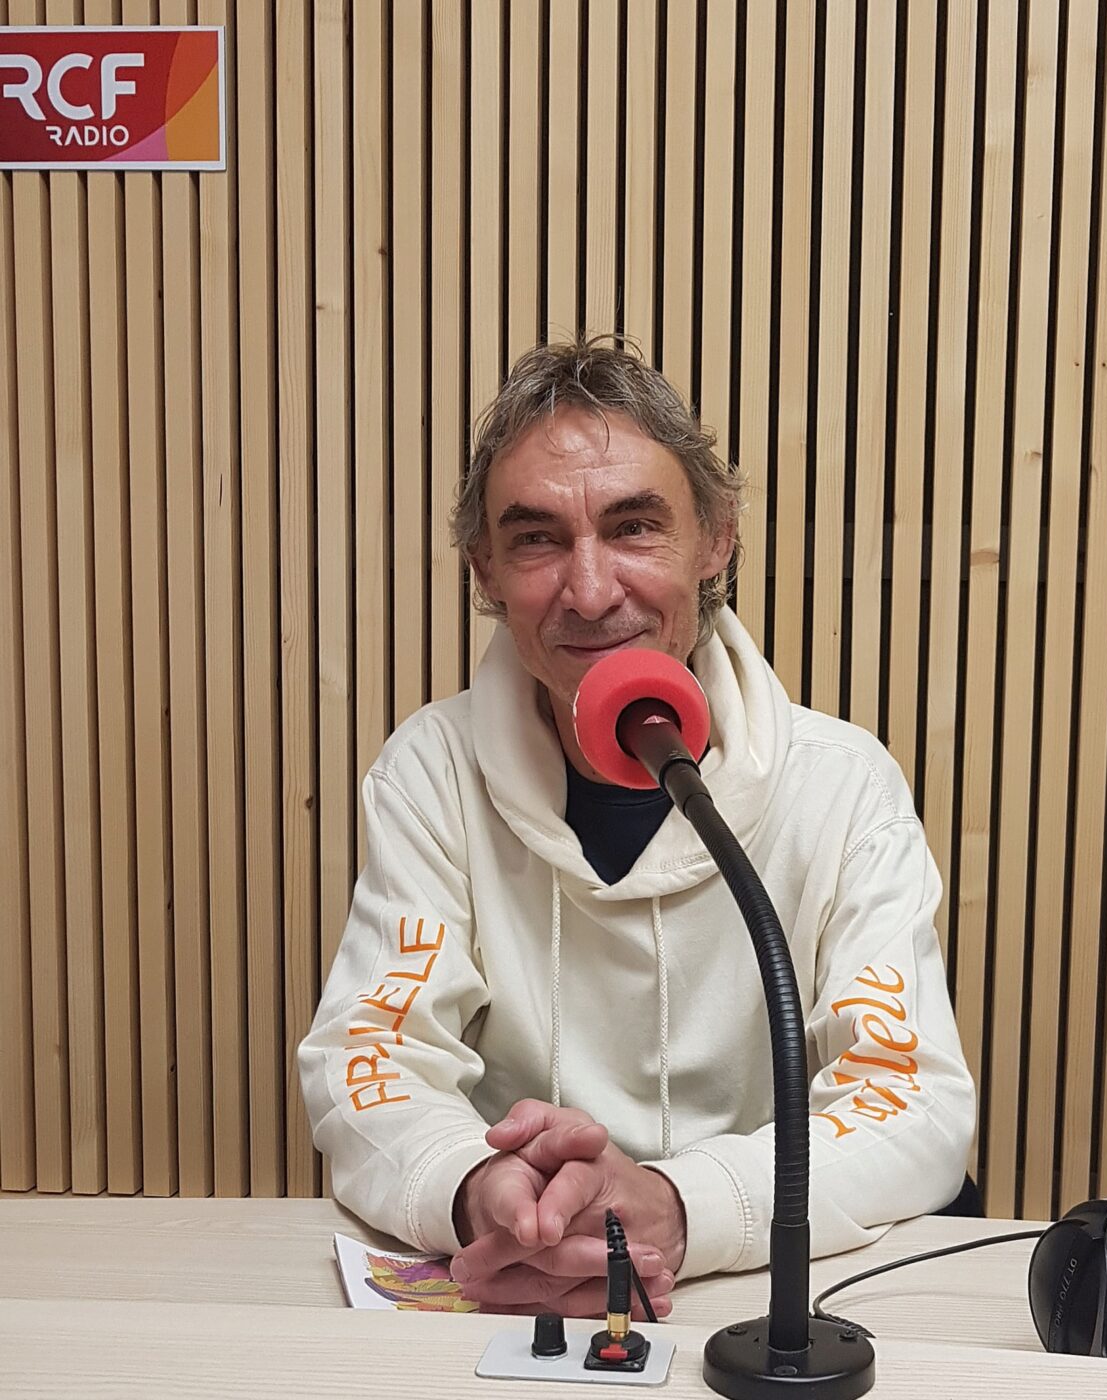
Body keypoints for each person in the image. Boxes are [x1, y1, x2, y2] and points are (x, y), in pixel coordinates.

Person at [297, 335, 977, 1320]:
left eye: (634, 527)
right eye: (536, 539)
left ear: (715, 540)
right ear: (485, 569)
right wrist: (478, 1189)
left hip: (766, 1292)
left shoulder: (842, 786)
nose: (589, 590)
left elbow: (912, 1099)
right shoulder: (430, 773)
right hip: (525, 1278)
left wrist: (677, 1205)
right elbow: (370, 1058)